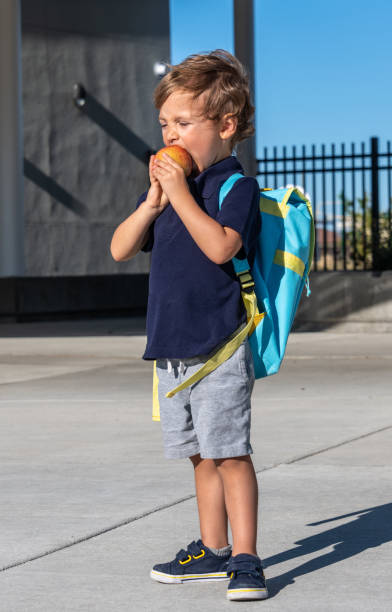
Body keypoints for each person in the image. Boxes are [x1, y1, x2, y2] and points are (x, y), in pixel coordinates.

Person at [110, 49, 268, 602]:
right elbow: (120, 247)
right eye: (163, 124)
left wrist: (179, 193)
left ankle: (246, 557)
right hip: (173, 349)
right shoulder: (167, 194)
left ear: (225, 126)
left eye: (183, 123)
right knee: (201, 455)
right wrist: (153, 204)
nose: (169, 135)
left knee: (230, 453)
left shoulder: (234, 188)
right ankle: (212, 548)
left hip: (219, 344)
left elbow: (223, 246)